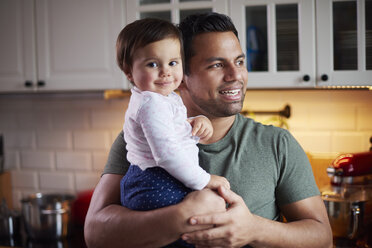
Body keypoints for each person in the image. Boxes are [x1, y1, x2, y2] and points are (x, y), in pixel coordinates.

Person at [84, 12, 333, 248]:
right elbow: (95, 234)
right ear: (180, 75)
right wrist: (181, 217)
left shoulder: (277, 143)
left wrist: (254, 229)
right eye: (216, 65)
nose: (236, 75)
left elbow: (323, 238)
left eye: (239, 61)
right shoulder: (137, 139)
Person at [116, 18, 229, 213]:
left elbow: (168, 129)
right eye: (152, 64)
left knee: (212, 208)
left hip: (158, 179)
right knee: (212, 206)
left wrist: (193, 123)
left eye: (173, 62)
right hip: (154, 182)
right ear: (129, 72)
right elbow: (167, 155)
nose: (166, 72)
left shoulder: (162, 99)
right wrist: (205, 179)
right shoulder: (151, 103)